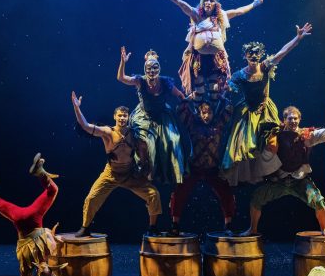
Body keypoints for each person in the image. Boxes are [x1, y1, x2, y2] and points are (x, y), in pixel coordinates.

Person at [241, 102, 325, 237]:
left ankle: (324, 229)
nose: (293, 121)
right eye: (290, 118)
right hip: (279, 180)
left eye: (295, 118)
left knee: (318, 201)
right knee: (257, 197)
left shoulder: (306, 135)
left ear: (299, 119)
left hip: (299, 181)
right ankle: (252, 229)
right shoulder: (276, 135)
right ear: (284, 120)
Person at [221, 23, 313, 186]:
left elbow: (282, 52)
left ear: (261, 54)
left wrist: (297, 38)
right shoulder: (239, 75)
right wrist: (224, 89)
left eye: (257, 53)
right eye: (250, 53)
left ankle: (274, 172)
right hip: (248, 112)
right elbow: (228, 88)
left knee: (272, 144)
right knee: (245, 147)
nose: (254, 56)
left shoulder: (264, 67)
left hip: (265, 111)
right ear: (245, 55)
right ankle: (253, 175)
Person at [160, 0, 264, 102]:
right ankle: (195, 109)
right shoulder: (196, 15)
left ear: (216, 4)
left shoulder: (221, 16)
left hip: (215, 59)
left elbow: (239, 11)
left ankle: (216, 109)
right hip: (199, 59)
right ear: (202, 2)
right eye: (206, 0)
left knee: (215, 92)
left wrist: (255, 3)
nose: (208, 2)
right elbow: (179, 3)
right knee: (199, 92)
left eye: (211, 0)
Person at [71, 91, 162, 237]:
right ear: (115, 117)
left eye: (124, 116)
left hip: (129, 174)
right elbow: (85, 125)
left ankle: (153, 227)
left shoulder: (134, 134)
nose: (122, 118)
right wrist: (77, 107)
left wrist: (144, 169)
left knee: (153, 194)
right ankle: (85, 227)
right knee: (92, 198)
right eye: (119, 115)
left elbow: (144, 152)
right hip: (111, 174)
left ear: (128, 117)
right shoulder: (108, 132)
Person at [117, 47, 187, 184]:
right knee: (145, 142)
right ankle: (144, 169)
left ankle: (172, 173)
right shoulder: (140, 81)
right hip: (144, 116)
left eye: (155, 68)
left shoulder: (165, 82)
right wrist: (123, 62)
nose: (152, 71)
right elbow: (121, 78)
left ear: (159, 68)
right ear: (145, 69)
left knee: (173, 140)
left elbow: (179, 95)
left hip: (162, 116)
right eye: (149, 68)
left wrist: (188, 103)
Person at [170, 98, 235, 235]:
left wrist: (221, 95)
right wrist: (188, 98)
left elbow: (229, 109)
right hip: (195, 167)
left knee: (226, 193)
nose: (206, 116)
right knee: (179, 192)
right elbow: (180, 109)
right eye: (203, 113)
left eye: (209, 113)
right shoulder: (192, 123)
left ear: (213, 113)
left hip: (213, 168)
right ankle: (175, 224)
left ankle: (228, 225)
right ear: (199, 113)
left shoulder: (218, 124)